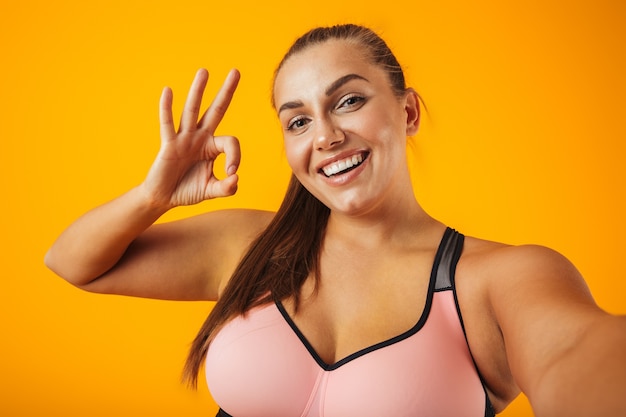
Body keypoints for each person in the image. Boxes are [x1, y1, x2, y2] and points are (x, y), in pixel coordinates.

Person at [45, 24, 626, 417]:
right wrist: (152, 197)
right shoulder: (250, 245)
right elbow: (72, 264)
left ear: (409, 110)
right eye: (297, 122)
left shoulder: (496, 279)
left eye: (348, 101)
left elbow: (577, 352)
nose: (325, 136)